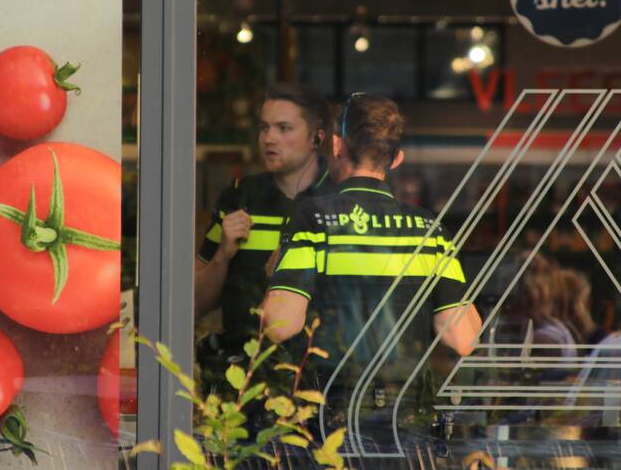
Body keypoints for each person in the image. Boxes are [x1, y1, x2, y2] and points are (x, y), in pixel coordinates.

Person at [260, 93, 482, 440]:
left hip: (330, 424)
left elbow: (280, 325)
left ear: (336, 146)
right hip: (406, 427)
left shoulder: (313, 219)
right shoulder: (430, 230)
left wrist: (274, 275)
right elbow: (463, 338)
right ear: (396, 160)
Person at [195, 83, 333, 357]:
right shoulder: (238, 197)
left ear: (316, 139)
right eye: (264, 128)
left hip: (316, 375)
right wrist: (222, 255)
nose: (269, 138)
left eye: (284, 128)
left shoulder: (339, 200)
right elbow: (195, 304)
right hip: (241, 377)